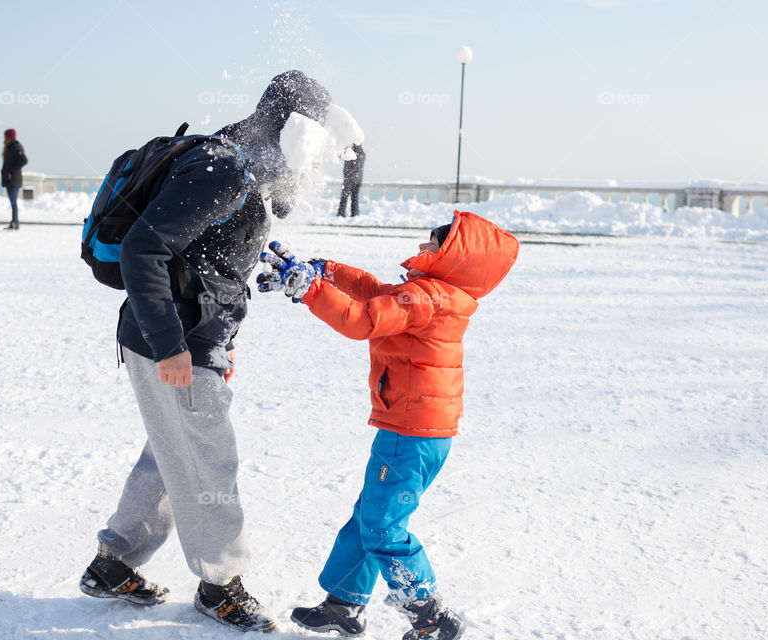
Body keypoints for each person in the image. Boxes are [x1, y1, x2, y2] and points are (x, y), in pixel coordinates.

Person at [78, 70, 334, 633]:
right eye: (314, 136)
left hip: (190, 340)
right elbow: (144, 249)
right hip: (170, 343)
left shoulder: (240, 163)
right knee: (209, 461)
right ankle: (221, 585)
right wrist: (174, 349)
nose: (317, 157)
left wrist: (217, 344)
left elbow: (212, 265)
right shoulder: (223, 171)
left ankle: (114, 561)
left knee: (172, 453)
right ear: (290, 127)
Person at [257, 210, 519, 640]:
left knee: (381, 526)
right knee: (370, 517)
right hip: (417, 431)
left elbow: (360, 321)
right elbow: (377, 293)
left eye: (432, 244)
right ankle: (344, 604)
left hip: (409, 434)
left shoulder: (427, 298)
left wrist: (311, 290)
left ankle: (430, 615)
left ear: (452, 259)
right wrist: (328, 272)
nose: (421, 248)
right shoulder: (435, 295)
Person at [1, 129, 28, 231]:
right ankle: (14, 221)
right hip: (9, 179)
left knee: (13, 202)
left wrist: (11, 171)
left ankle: (15, 222)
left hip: (14, 179)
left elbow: (24, 160)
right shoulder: (10, 147)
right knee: (12, 202)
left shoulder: (16, 147)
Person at [337, 143, 364, 217]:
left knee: (344, 197)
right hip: (358, 179)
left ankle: (341, 213)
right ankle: (354, 214)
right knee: (354, 198)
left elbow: (348, 167)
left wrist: (347, 176)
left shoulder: (351, 153)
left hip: (350, 179)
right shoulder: (361, 153)